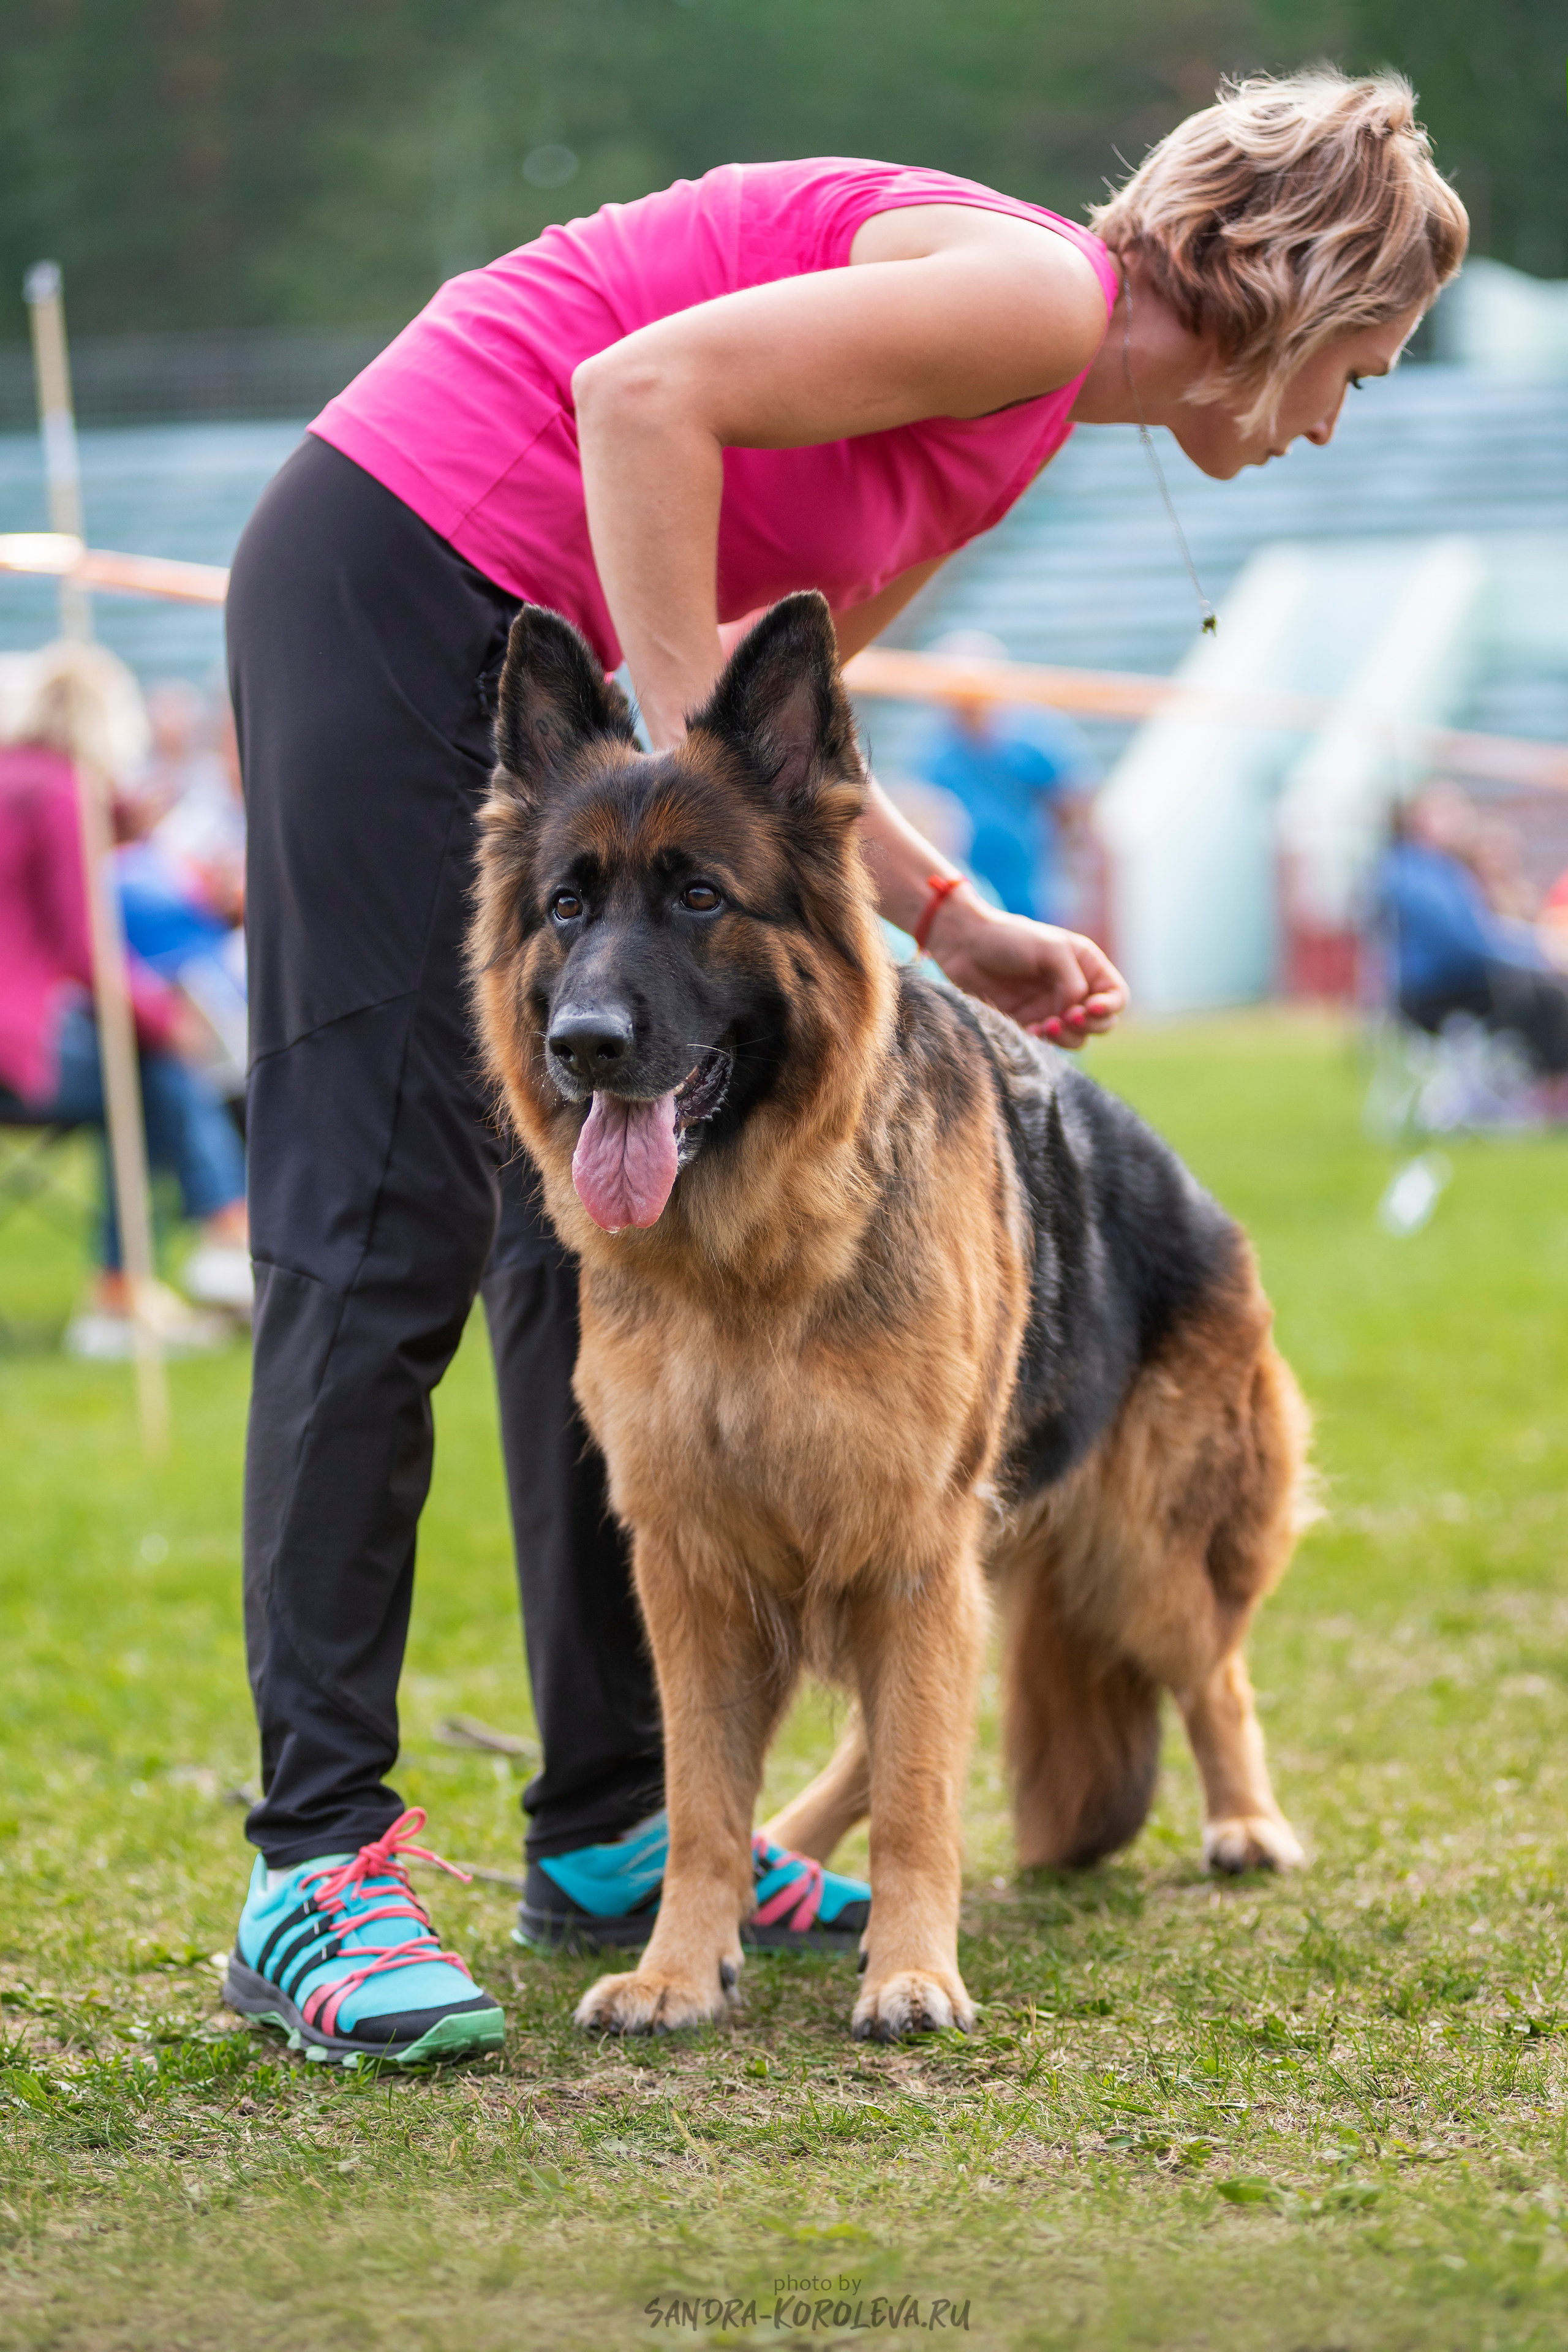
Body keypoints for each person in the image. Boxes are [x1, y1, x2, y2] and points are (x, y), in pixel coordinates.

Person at [222, 67, 1467, 2063]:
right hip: (407, 571)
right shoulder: (1041, 301)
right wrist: (666, 745)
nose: (1339, 413)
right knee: (379, 1216)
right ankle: (315, 1868)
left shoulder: (1025, 405)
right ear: (1290, 284)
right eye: (1362, 362)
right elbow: (636, 405)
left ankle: (617, 1838)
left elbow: (769, 721)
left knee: (596, 1249)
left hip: (552, 648)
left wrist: (943, 912)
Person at [0, 643, 251, 1355]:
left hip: (24, 1038)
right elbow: (90, 950)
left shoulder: (18, 780)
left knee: (133, 1076)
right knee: (150, 1062)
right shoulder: (59, 792)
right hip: (18, 1046)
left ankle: (139, 1280)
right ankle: (216, 1235)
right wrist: (162, 1021)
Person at [1375, 785, 1568, 1081]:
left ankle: (1540, 1082)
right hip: (1436, 992)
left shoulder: (1443, 869)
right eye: (1449, 811)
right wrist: (1534, 953)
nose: (1461, 819)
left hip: (1459, 980)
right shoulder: (1413, 872)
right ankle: (1550, 1087)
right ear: (1420, 820)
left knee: (1544, 988)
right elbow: (1467, 942)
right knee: (1545, 994)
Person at [913, 631, 1094, 922]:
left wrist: (1073, 863)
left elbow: (1074, 803)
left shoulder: (1034, 739)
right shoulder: (937, 755)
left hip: (1035, 893)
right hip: (972, 895)